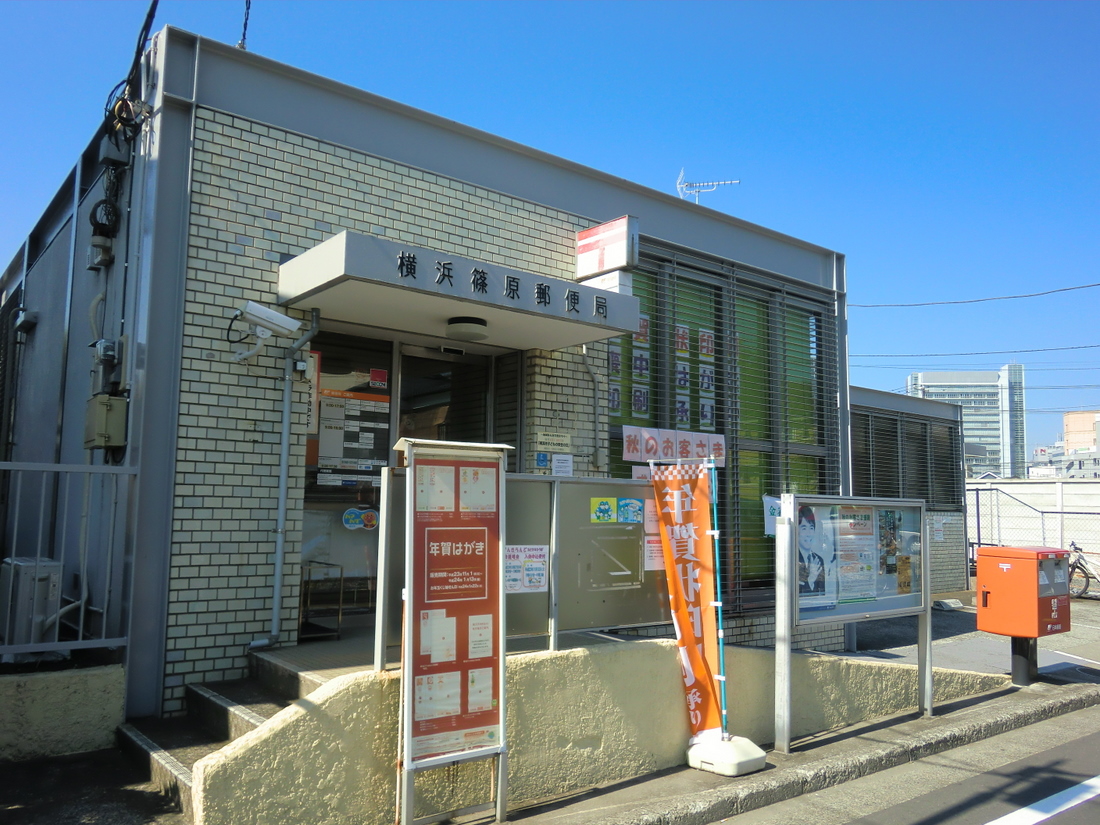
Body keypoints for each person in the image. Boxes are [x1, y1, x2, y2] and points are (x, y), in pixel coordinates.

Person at [798, 505, 825, 593]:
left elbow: (822, 594)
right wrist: (810, 580)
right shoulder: (792, 559)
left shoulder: (819, 560)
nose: (809, 533)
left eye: (811, 528)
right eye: (804, 528)